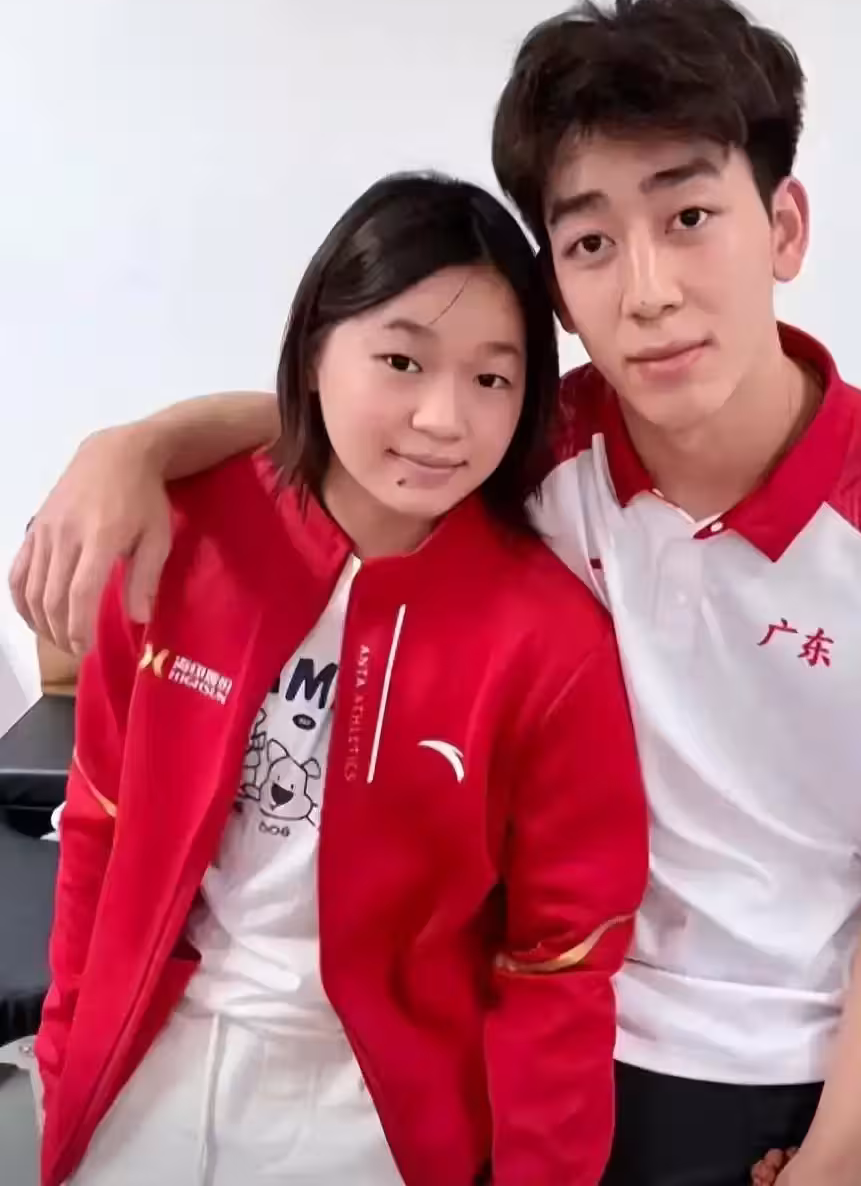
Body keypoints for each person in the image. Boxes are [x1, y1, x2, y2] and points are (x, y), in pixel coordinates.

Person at [13, 0, 861, 1186]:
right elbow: (360, 427)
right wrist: (133, 448)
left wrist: (836, 1160)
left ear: (784, 226)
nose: (648, 290)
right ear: (557, 283)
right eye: (592, 242)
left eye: (689, 216)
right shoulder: (536, 449)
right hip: (563, 1024)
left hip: (822, 1051)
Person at [27, 172, 650, 1186]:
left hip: (372, 1116)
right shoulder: (181, 535)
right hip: (145, 1069)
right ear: (316, 348)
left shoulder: (551, 642)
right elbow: (100, 821)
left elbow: (562, 962)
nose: (443, 418)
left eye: (492, 380)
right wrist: (66, 1059)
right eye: (402, 361)